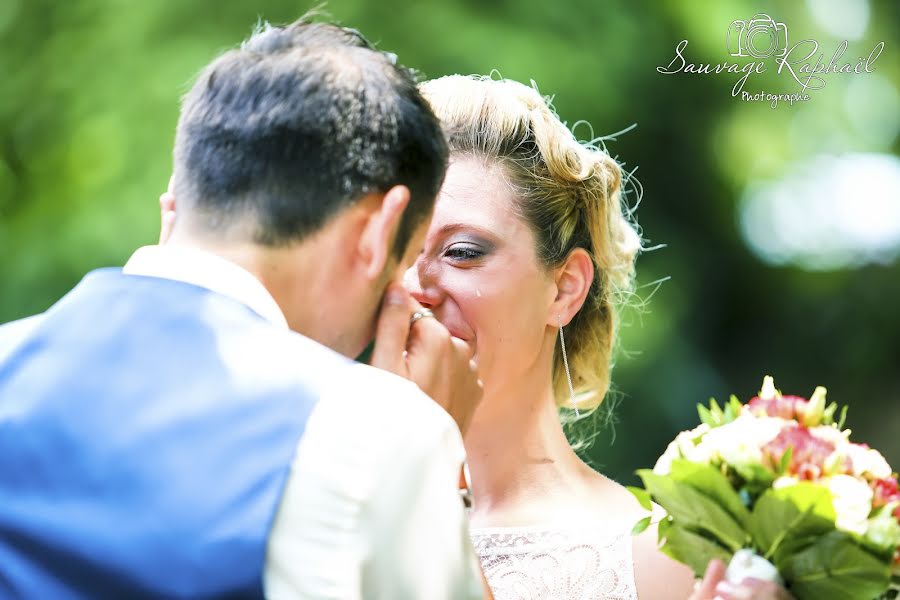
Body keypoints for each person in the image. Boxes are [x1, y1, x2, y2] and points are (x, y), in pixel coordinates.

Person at [0, 19, 490, 599]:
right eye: (400, 267)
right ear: (378, 231)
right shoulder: (378, 429)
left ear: (177, 203)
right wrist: (435, 461)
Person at [406, 74, 792, 600]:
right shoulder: (316, 522)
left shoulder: (663, 559)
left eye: (463, 251)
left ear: (564, 289)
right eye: (395, 252)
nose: (415, 287)